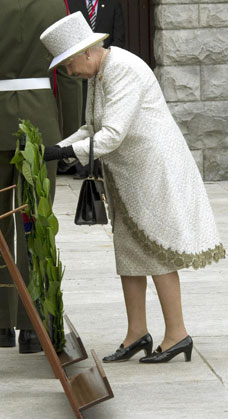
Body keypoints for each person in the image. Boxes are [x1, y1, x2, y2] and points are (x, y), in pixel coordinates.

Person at [40, 12, 226, 363]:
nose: (68, 73)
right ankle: (137, 332)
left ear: (88, 52)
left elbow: (111, 134)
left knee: (157, 253)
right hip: (128, 176)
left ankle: (177, 334)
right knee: (128, 254)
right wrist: (55, 149)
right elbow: (91, 126)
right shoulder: (100, 72)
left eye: (67, 65)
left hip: (154, 173)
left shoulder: (122, 68)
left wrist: (63, 152)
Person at [0, 0, 81, 353]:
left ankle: (2, 325)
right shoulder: (56, 7)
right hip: (41, 127)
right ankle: (33, 328)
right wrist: (70, 138)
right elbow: (69, 74)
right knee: (35, 224)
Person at [62, 0, 125, 178]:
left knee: (106, 118)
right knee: (86, 117)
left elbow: (119, 35)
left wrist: (107, 63)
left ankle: (103, 166)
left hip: (105, 68)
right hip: (83, 70)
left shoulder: (112, 3)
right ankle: (84, 167)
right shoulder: (71, 3)